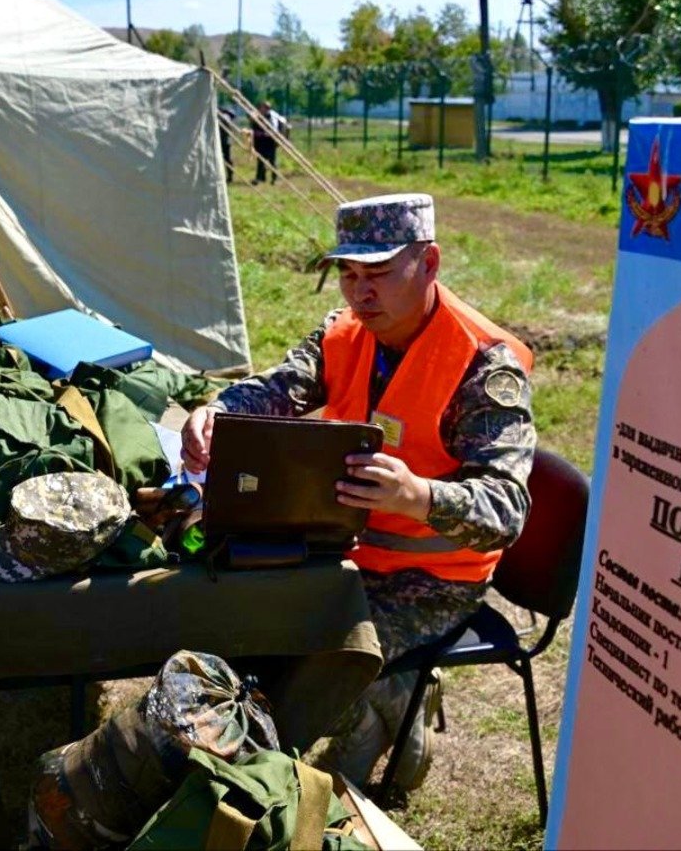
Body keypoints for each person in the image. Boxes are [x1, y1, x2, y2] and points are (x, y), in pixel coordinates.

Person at [181, 192, 535, 793]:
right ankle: (384, 700)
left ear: (429, 263)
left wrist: (418, 496)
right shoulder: (347, 332)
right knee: (239, 627)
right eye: (347, 274)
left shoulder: (483, 366)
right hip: (342, 550)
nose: (358, 293)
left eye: (377, 273)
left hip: (432, 578)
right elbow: (279, 388)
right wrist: (217, 412)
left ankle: (380, 707)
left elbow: (506, 511)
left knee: (303, 676)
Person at [250, 99, 288, 185]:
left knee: (272, 161)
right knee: (260, 160)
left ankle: (275, 179)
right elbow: (253, 125)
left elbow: (275, 128)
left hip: (270, 141)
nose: (262, 109)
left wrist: (278, 137)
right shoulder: (257, 116)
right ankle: (260, 178)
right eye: (261, 108)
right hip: (260, 141)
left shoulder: (272, 116)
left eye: (264, 108)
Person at [217, 105, 238, 183]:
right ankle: (228, 176)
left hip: (225, 140)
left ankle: (229, 176)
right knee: (226, 158)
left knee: (227, 159)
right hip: (224, 140)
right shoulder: (226, 116)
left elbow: (224, 121)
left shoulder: (225, 116)